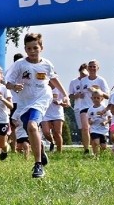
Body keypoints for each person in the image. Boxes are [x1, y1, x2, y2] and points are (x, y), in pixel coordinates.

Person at [5, 33, 69, 178]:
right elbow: (8, 82)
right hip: (23, 102)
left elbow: (54, 80)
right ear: (25, 49)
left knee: (32, 126)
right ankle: (40, 149)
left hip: (41, 98)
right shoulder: (20, 64)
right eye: (29, 48)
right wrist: (14, 87)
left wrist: (65, 95)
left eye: (35, 48)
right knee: (30, 129)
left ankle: (38, 165)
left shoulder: (46, 64)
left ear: (41, 48)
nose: (33, 51)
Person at [68, 63, 90, 154]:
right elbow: (70, 95)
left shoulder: (90, 81)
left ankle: (93, 146)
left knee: (90, 128)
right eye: (82, 73)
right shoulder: (74, 82)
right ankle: (86, 148)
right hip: (78, 107)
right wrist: (76, 95)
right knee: (83, 129)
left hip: (90, 106)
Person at [41, 87, 67, 153]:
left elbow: (67, 104)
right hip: (45, 113)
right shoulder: (43, 87)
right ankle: (52, 141)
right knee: (46, 132)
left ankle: (59, 152)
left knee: (57, 133)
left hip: (57, 114)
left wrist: (60, 103)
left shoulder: (60, 89)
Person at [87, 90, 110, 157]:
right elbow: (89, 120)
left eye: (98, 98)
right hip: (94, 129)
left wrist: (105, 122)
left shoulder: (104, 108)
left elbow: (110, 118)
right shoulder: (90, 109)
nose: (96, 99)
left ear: (102, 98)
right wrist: (90, 122)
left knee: (104, 147)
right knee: (96, 142)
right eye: (94, 98)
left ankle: (102, 157)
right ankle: (95, 155)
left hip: (103, 130)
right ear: (91, 98)